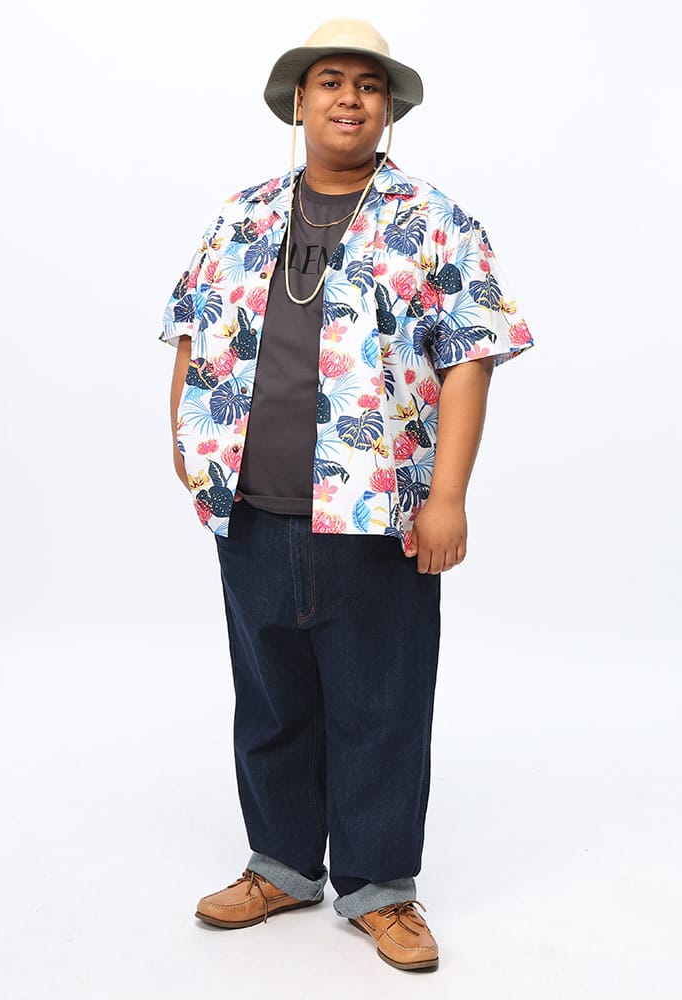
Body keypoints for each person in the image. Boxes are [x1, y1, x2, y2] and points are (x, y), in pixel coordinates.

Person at [159, 18, 533, 972]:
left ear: (389, 109)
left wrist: (448, 496)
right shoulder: (241, 215)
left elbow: (471, 358)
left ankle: (379, 886)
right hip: (251, 507)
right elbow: (191, 327)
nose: (348, 98)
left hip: (377, 513)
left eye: (368, 85)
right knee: (270, 699)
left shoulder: (435, 221)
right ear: (299, 102)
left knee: (382, 702)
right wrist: (184, 442)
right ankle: (282, 866)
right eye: (330, 81)